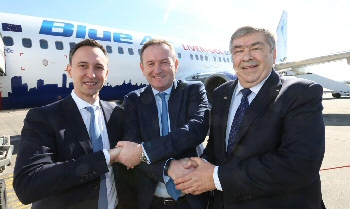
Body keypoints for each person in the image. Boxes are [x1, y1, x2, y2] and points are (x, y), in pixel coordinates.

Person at [173, 26, 326, 209]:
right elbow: (217, 147)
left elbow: (299, 165)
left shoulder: (300, 93)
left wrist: (215, 177)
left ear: (273, 54)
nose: (246, 57)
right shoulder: (222, 93)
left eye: (256, 48)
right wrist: (201, 165)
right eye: (238, 51)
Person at [13, 39, 131, 209]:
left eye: (98, 67)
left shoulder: (118, 114)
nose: (91, 74)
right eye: (83, 66)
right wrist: (108, 157)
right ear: (70, 70)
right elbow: (27, 185)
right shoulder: (42, 117)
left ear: (106, 74)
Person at [115, 39, 210, 209]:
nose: (157, 70)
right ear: (142, 68)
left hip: (193, 199)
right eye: (150, 63)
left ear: (176, 64)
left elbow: (195, 129)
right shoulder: (133, 100)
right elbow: (132, 148)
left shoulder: (194, 90)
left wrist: (145, 151)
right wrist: (169, 167)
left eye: (164, 62)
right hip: (151, 200)